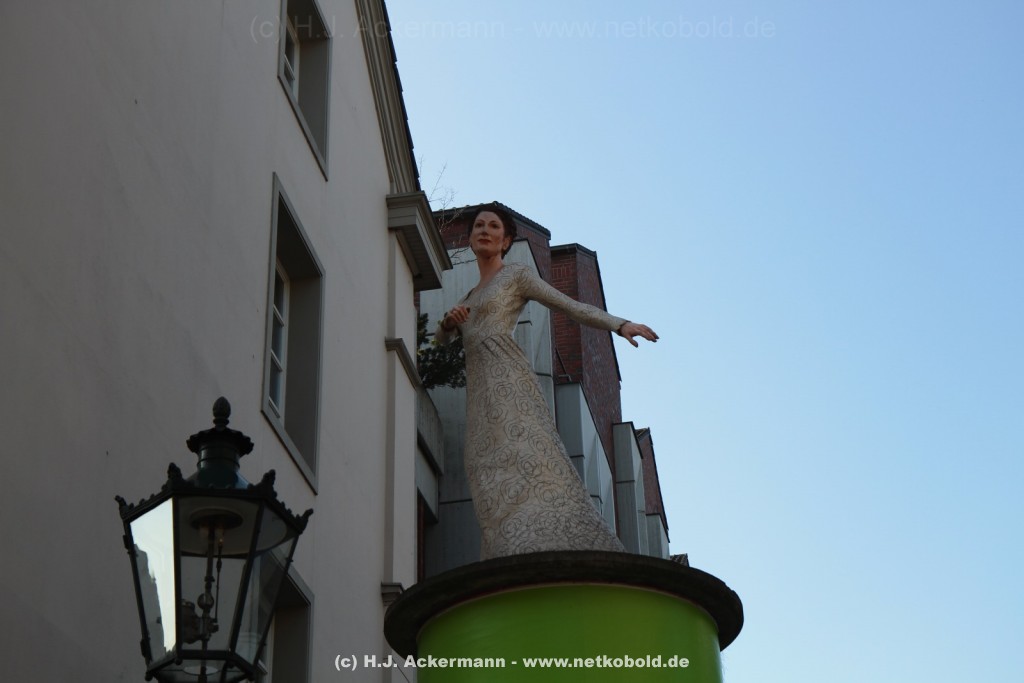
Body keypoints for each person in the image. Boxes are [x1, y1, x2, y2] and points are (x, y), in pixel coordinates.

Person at [436, 204, 659, 559]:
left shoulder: (516, 276)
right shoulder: (467, 298)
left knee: (526, 452)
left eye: (493, 226)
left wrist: (619, 324)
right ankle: (505, 547)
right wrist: (448, 323)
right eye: (478, 226)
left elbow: (568, 305)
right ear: (471, 238)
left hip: (509, 378)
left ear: (505, 240)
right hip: (479, 394)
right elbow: (442, 341)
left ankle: (552, 538)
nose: (484, 230)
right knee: (485, 464)